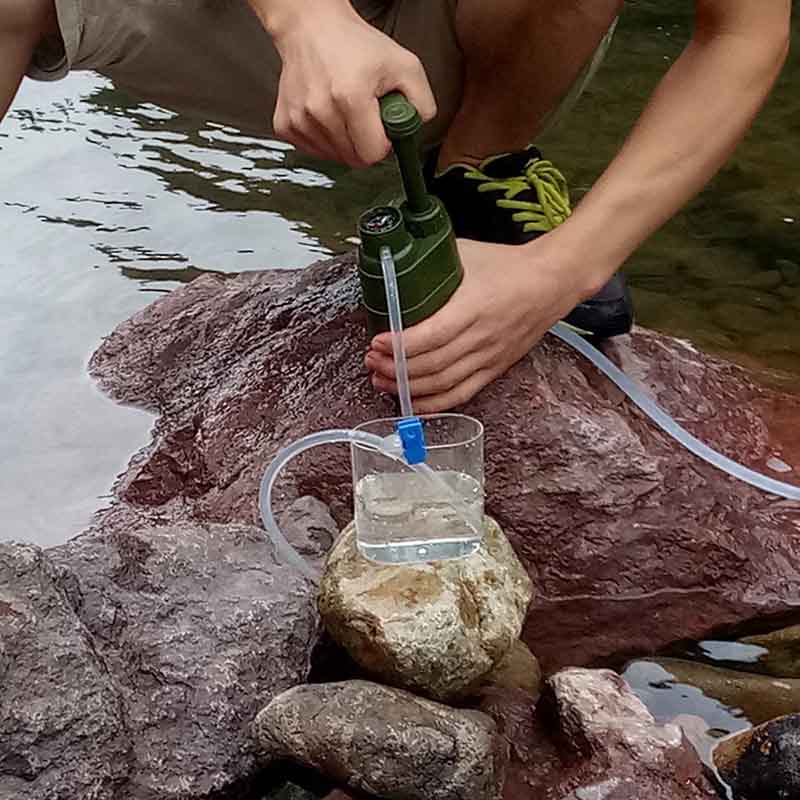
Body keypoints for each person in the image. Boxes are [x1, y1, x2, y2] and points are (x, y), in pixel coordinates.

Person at [2, 0, 791, 413]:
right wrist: (309, 19)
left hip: (474, 35)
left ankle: (479, 172)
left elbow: (743, 34)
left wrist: (563, 269)